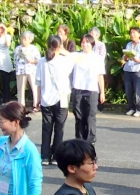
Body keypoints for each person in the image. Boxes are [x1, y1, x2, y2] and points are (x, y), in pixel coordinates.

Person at [36, 35, 76, 166]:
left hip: (46, 98)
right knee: (59, 128)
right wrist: (64, 51)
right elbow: (76, 58)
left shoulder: (42, 61)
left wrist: (37, 98)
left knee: (46, 128)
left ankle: (45, 156)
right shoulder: (65, 61)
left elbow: (38, 82)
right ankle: (56, 156)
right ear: (60, 46)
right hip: (61, 97)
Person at [72, 34, 106, 146]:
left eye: (87, 42)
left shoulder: (97, 58)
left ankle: (90, 141)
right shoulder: (77, 56)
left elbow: (100, 76)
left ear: (92, 44)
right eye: (83, 42)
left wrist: (102, 92)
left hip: (91, 90)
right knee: (78, 115)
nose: (85, 44)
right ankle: (79, 139)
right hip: (78, 89)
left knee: (90, 116)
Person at [122, 27, 140, 117]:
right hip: (128, 69)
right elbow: (125, 58)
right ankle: (131, 108)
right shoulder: (128, 44)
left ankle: (139, 109)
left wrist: (138, 60)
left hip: (138, 69)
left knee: (138, 90)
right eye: (131, 33)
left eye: (134, 33)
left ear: (139, 34)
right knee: (128, 90)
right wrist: (125, 57)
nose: (132, 34)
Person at [13, 31, 41, 111]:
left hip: (32, 70)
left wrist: (32, 61)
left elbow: (39, 60)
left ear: (30, 40)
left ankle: (36, 105)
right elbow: (15, 60)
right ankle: (21, 106)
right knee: (20, 88)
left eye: (25, 39)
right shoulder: (18, 48)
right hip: (21, 70)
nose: (23, 40)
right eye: (22, 38)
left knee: (35, 88)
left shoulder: (34, 48)